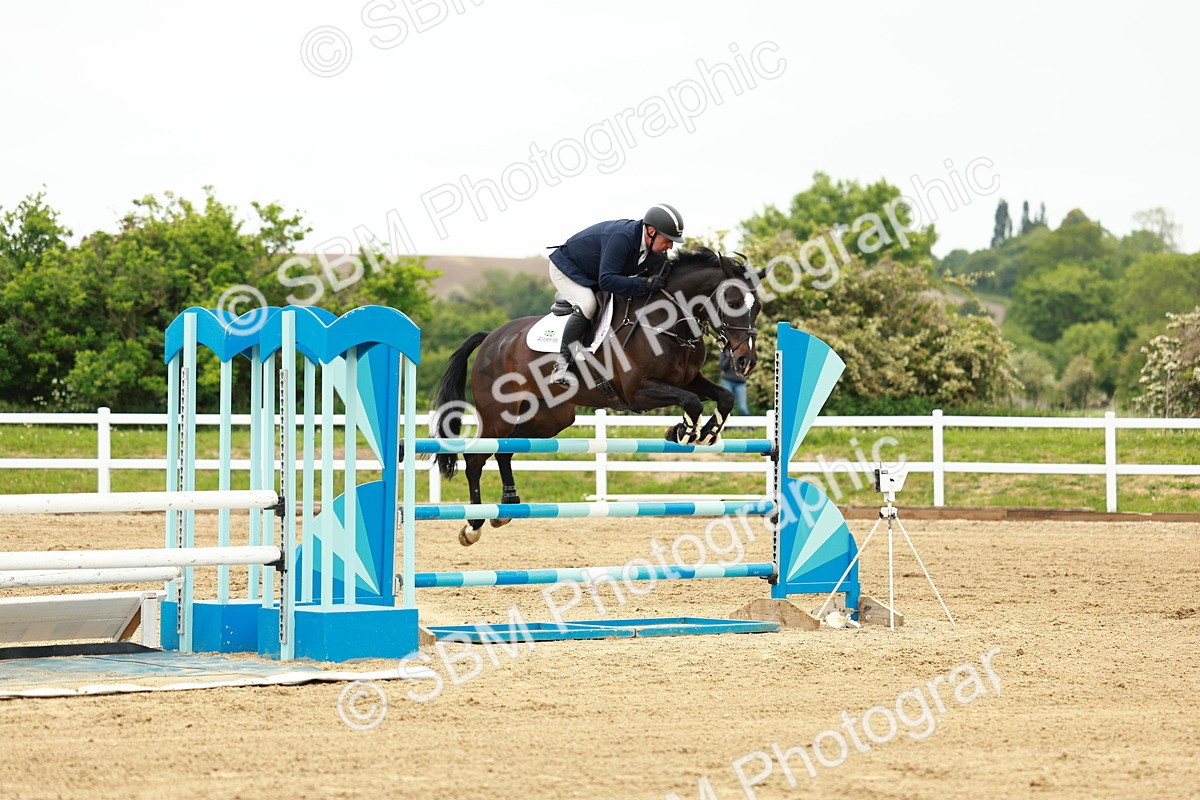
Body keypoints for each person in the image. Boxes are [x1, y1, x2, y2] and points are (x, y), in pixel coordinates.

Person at [546, 204, 686, 385]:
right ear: (651, 231)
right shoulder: (622, 238)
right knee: (588, 304)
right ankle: (561, 366)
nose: (671, 245)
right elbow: (607, 281)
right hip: (568, 268)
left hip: (594, 272)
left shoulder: (654, 250)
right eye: (668, 239)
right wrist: (644, 284)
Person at [719, 349, 751, 416]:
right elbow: (723, 367)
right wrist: (730, 356)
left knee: (743, 407)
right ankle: (727, 422)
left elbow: (746, 367)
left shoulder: (743, 352)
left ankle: (747, 422)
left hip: (740, 383)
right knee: (728, 407)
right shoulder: (724, 352)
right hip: (727, 381)